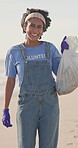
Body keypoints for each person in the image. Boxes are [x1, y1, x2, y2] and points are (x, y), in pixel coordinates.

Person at [2, 8, 69, 148]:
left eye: (39, 27)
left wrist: (67, 54)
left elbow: (63, 74)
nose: (35, 30)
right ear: (24, 26)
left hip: (49, 105)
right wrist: (5, 109)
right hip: (26, 105)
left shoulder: (50, 49)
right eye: (31, 25)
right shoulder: (14, 52)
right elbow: (10, 80)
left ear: (43, 30)